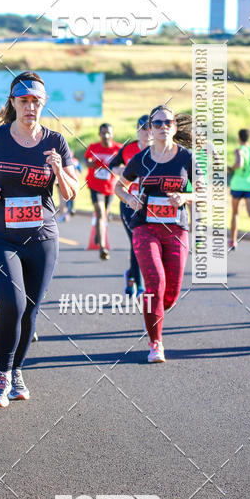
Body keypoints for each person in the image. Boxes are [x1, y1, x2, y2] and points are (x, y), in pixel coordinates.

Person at [0, 72, 78, 407]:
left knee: (30, 310)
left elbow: (71, 194)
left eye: (36, 101)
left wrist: (59, 171)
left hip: (42, 237)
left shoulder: (56, 142)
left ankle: (17, 371)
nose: (30, 107)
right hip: (0, 236)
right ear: (13, 102)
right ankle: (1, 376)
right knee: (11, 304)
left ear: (43, 104)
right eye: (24, 100)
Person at [115, 106, 196, 363]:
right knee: (155, 284)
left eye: (167, 122)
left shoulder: (187, 158)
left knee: (169, 295)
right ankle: (155, 344)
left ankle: (152, 304)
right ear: (150, 128)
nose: (163, 127)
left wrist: (184, 196)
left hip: (176, 228)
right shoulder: (141, 159)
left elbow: (205, 192)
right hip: (145, 226)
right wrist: (129, 199)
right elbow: (119, 186)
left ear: (174, 126)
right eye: (157, 123)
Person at [109, 115, 151, 297]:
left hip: (150, 203)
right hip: (128, 201)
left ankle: (131, 275)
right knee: (136, 240)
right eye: (143, 128)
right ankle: (139, 284)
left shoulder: (158, 150)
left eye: (150, 127)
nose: (147, 131)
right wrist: (121, 171)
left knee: (145, 244)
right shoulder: (129, 148)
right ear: (137, 130)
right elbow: (112, 165)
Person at [83, 123, 121, 259]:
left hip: (110, 187)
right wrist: (89, 163)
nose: (105, 135)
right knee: (100, 213)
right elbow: (86, 158)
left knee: (105, 214)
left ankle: (99, 235)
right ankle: (103, 248)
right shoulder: (93, 147)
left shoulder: (118, 148)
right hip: (95, 185)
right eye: (103, 133)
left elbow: (124, 163)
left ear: (112, 134)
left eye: (108, 133)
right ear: (99, 134)